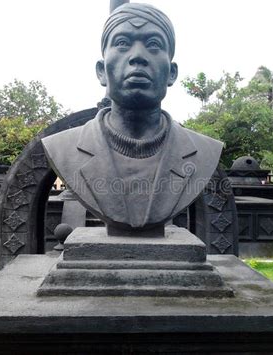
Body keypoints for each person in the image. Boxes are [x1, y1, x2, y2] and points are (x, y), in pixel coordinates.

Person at [42, 3, 223, 236]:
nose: (138, 56)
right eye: (122, 43)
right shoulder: (63, 147)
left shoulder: (203, 151)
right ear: (101, 71)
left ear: (172, 73)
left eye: (154, 45)